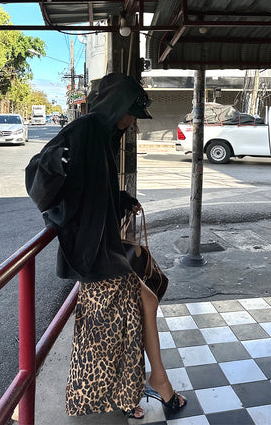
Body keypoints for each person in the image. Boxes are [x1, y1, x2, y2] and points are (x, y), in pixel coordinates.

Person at [25, 73, 186, 419]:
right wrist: (56, 164)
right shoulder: (86, 128)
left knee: (128, 316)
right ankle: (144, 387)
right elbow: (38, 171)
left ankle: (143, 388)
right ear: (116, 107)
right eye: (130, 113)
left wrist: (121, 199)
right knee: (112, 328)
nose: (132, 122)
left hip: (100, 247)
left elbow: (94, 188)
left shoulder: (101, 134)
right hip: (92, 251)